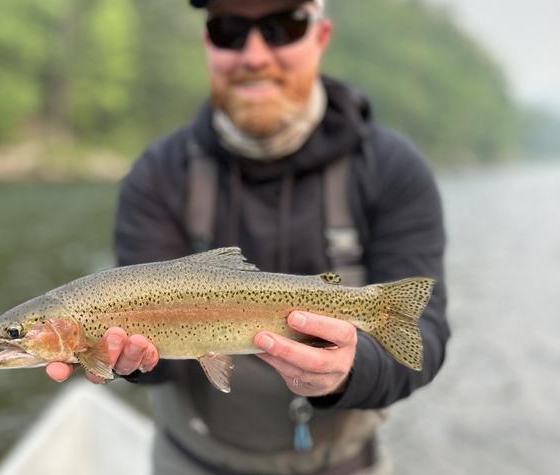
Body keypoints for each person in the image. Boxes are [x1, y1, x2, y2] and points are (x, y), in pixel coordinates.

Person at [47, 0, 449, 473]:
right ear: (207, 43)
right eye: (230, 29)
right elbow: (162, 364)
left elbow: (424, 337)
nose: (255, 55)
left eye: (283, 27)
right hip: (194, 460)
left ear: (320, 37)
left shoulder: (391, 169)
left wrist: (350, 369)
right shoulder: (157, 175)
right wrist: (126, 357)